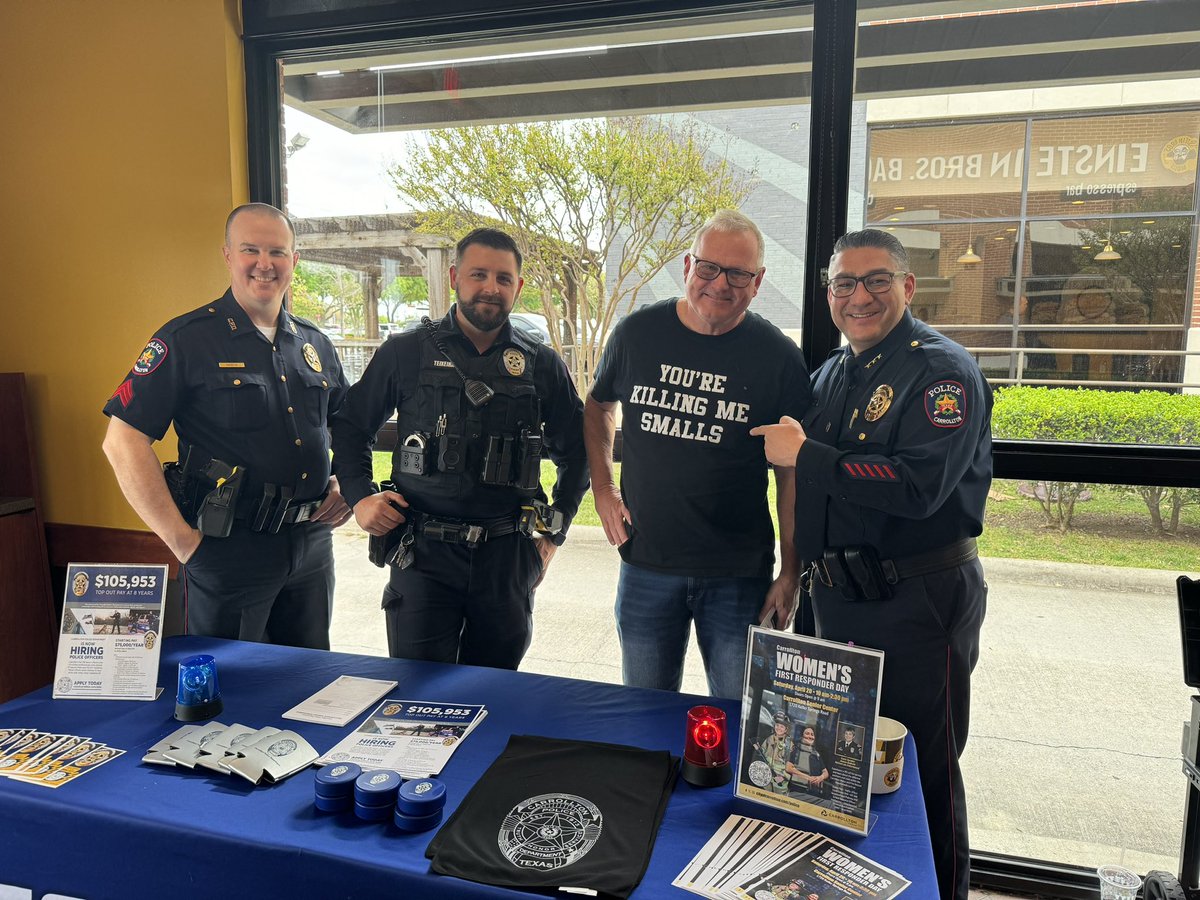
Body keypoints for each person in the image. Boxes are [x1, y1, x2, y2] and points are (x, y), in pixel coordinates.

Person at [752, 228, 992, 900]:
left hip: (916, 603)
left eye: (876, 280)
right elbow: (808, 487)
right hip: (836, 600)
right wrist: (794, 567)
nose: (859, 296)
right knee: (834, 763)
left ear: (908, 287)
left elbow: (918, 487)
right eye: (844, 284)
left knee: (919, 773)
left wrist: (809, 456)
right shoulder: (832, 373)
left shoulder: (941, 373)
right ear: (828, 293)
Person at [331, 227, 588, 669]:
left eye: (504, 279)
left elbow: (578, 452)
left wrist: (554, 531)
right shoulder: (406, 351)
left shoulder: (541, 362)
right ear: (454, 277)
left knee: (495, 693)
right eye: (478, 275)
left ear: (518, 287)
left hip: (507, 557)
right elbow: (352, 427)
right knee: (417, 698)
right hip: (422, 555)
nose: (491, 287)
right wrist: (359, 497)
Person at [102, 203, 351, 650]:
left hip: (310, 542)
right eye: (250, 249)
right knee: (227, 695)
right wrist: (182, 543)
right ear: (228, 255)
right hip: (227, 548)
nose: (264, 263)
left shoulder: (315, 344)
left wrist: (345, 482)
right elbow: (122, 442)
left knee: (311, 683)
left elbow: (347, 428)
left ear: (294, 261)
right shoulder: (187, 339)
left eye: (277, 251)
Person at [584, 209, 811, 700]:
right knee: (643, 714)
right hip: (646, 563)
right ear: (688, 266)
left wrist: (790, 572)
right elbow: (600, 403)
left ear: (758, 282)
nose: (720, 284)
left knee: (740, 722)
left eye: (738, 273)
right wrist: (602, 489)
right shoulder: (637, 334)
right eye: (709, 268)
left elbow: (793, 478)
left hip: (738, 574)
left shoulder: (779, 359)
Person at [753, 711, 795, 794]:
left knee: (779, 799)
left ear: (786, 729)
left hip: (781, 778)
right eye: (777, 725)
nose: (779, 728)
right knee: (765, 795)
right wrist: (758, 749)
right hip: (767, 775)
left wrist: (783, 777)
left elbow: (792, 765)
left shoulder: (789, 744)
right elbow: (762, 754)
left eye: (782, 726)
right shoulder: (769, 739)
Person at [785, 725, 829, 796]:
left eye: (812, 734)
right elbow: (788, 768)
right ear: (802, 736)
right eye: (807, 733)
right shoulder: (796, 749)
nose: (810, 736)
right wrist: (808, 778)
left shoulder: (816, 754)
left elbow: (826, 772)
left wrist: (820, 778)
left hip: (813, 792)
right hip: (797, 790)